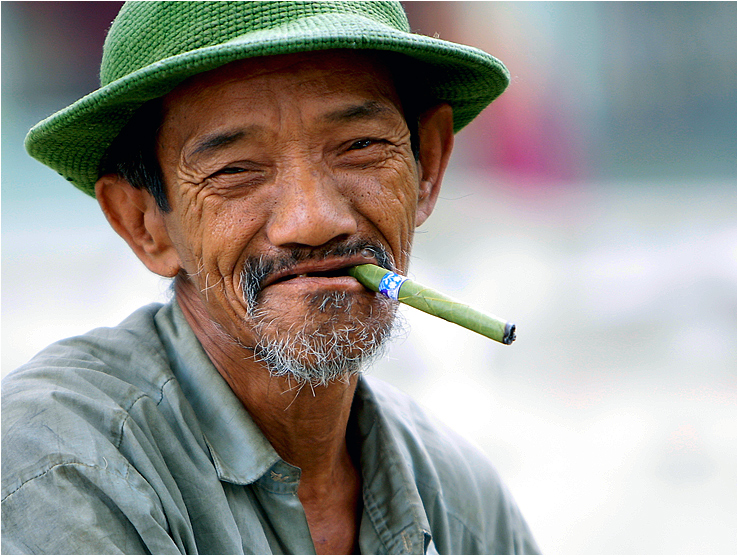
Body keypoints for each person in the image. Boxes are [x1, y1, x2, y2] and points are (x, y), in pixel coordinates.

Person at [2, 2, 539, 554]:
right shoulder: (62, 469)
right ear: (144, 225)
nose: (314, 221)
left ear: (428, 166)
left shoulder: (463, 503)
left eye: (359, 147)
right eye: (235, 170)